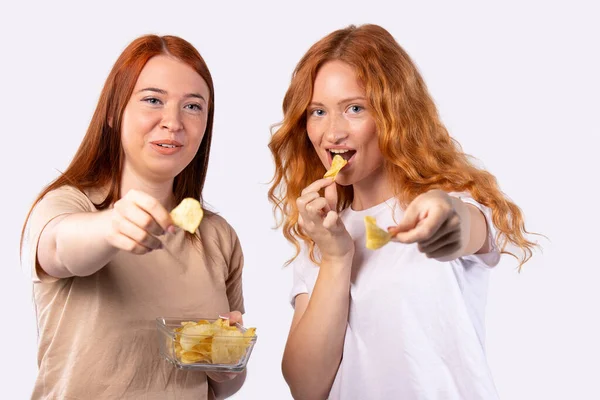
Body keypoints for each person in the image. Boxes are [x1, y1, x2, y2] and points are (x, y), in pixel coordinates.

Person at [268, 24, 538, 400]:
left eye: (355, 108)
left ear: (394, 113)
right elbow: (306, 387)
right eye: (317, 111)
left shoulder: (450, 203)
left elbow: (461, 227)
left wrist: (443, 211)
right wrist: (336, 255)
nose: (332, 133)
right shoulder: (324, 232)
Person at [21, 35, 246, 399]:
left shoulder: (218, 235)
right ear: (113, 112)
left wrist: (226, 359)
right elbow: (59, 249)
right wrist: (111, 227)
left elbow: (225, 385)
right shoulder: (68, 206)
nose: (173, 122)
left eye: (193, 107)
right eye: (153, 100)